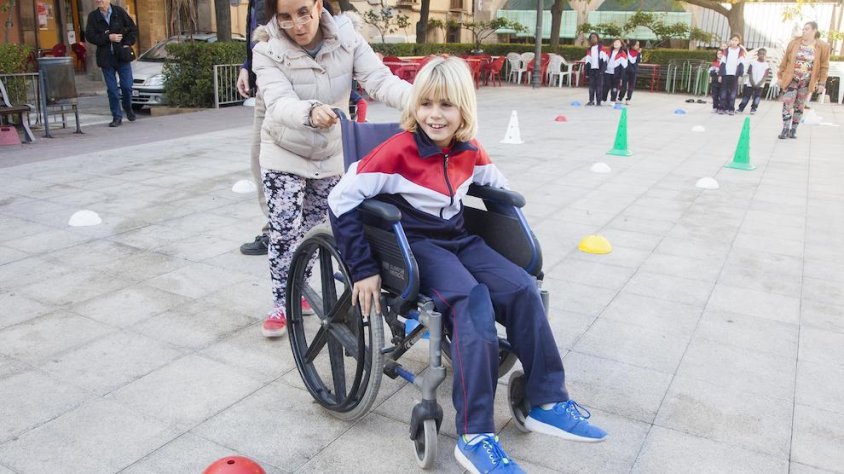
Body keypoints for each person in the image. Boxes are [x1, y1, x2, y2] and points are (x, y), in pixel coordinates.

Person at [327, 56, 607, 474]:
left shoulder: (470, 150)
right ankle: (475, 435)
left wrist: (508, 214)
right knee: (471, 303)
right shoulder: (397, 151)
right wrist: (363, 267)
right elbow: (340, 199)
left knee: (522, 288)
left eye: (446, 106)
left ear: (464, 111)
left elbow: (499, 186)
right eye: (426, 104)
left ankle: (546, 400)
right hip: (415, 244)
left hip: (460, 238)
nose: (434, 115)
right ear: (415, 106)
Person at [251, 0, 411, 338]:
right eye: (285, 16)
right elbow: (278, 103)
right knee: (285, 230)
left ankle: (301, 286)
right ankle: (282, 301)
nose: (296, 24)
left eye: (303, 12)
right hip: (284, 149)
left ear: (318, 6)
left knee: (318, 226)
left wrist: (421, 101)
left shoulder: (347, 38)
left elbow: (379, 80)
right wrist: (309, 112)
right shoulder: (267, 50)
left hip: (331, 150)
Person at [236, 0, 272, 256]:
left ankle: (283, 230)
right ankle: (275, 228)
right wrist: (247, 67)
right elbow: (255, 33)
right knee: (259, 158)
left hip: (287, 81)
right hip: (264, 85)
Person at [85, 0, 137, 128]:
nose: (99, 1)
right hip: (106, 58)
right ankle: (116, 116)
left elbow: (132, 29)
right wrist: (108, 37)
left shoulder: (119, 12)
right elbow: (90, 36)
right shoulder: (93, 16)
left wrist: (127, 43)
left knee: (127, 86)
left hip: (122, 56)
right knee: (112, 90)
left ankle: (127, 107)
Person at [777, 21, 830, 139]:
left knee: (800, 105)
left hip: (806, 82)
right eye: (803, 29)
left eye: (807, 29)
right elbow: (785, 61)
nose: (804, 31)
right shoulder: (794, 43)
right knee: (787, 103)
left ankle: (793, 130)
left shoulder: (823, 46)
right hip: (792, 78)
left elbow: (824, 66)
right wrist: (780, 77)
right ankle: (785, 128)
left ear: (814, 30)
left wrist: (822, 83)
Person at [718, 34, 747, 115]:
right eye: (732, 40)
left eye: (736, 40)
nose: (734, 42)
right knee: (723, 92)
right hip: (725, 74)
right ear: (730, 41)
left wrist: (740, 75)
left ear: (738, 42)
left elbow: (741, 63)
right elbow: (722, 63)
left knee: (733, 93)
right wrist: (720, 74)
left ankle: (731, 108)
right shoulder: (726, 50)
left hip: (735, 75)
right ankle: (722, 107)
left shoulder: (740, 51)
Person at [737, 48, 769, 114]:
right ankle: (741, 108)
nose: (762, 55)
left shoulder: (766, 65)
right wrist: (752, 83)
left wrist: (759, 84)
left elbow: (765, 76)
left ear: (765, 55)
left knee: (757, 97)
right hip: (750, 84)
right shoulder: (753, 62)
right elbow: (750, 73)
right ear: (757, 54)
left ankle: (753, 108)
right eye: (760, 54)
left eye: (764, 54)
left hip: (760, 85)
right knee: (746, 97)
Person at [583, 33, 608, 106]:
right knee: (591, 86)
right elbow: (587, 61)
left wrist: (602, 70)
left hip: (599, 70)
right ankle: (591, 100)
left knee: (599, 86)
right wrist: (587, 72)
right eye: (591, 38)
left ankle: (599, 101)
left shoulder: (602, 48)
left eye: (594, 37)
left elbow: (604, 60)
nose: (593, 39)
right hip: (592, 70)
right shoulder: (589, 49)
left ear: (598, 38)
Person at [602, 38, 627, 105]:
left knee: (615, 87)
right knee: (606, 86)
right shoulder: (608, 51)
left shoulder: (623, 54)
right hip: (607, 72)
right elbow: (604, 61)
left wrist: (621, 76)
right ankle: (603, 99)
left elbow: (624, 66)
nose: (616, 43)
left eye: (618, 43)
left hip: (616, 73)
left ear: (621, 45)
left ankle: (612, 100)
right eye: (615, 42)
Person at [618, 39, 640, 105]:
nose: (638, 46)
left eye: (638, 45)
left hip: (633, 72)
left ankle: (628, 99)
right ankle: (620, 98)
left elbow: (638, 61)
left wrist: (639, 54)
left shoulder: (638, 53)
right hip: (625, 71)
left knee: (631, 86)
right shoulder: (626, 51)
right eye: (636, 45)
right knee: (623, 86)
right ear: (632, 45)